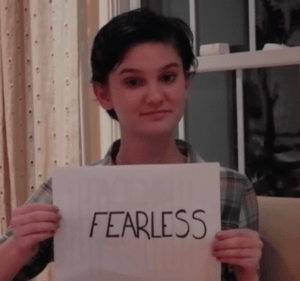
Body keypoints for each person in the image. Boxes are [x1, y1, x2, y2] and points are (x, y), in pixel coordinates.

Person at [0, 8, 262, 281]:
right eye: (133, 82)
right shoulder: (68, 193)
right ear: (103, 94)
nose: (155, 96)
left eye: (168, 77)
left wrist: (248, 271)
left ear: (186, 83)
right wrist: (19, 245)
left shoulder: (230, 189)